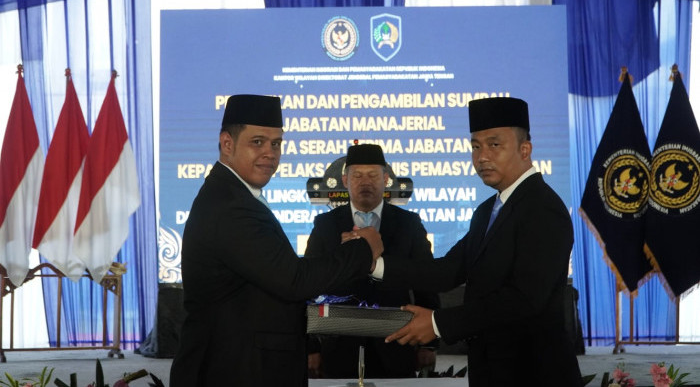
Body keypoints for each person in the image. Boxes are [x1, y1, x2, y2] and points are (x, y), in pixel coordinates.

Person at [169, 94, 383, 387]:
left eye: (276, 144)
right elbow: (293, 280)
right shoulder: (231, 206)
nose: (270, 153)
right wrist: (364, 248)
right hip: (232, 370)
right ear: (227, 144)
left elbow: (279, 273)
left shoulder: (234, 196)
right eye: (257, 142)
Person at [379, 97, 583, 387]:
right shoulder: (489, 210)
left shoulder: (542, 208)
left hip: (533, 373)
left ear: (525, 149)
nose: (482, 157)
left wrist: (437, 323)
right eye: (476, 147)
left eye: (494, 145)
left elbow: (524, 299)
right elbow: (447, 270)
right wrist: (373, 264)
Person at [304, 144, 440, 379]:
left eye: (373, 175)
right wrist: (311, 346)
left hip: (397, 343)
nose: (365, 182)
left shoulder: (409, 224)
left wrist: (429, 344)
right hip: (338, 347)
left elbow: (426, 281)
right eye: (357, 175)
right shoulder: (325, 225)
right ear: (345, 180)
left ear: (385, 179)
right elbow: (310, 284)